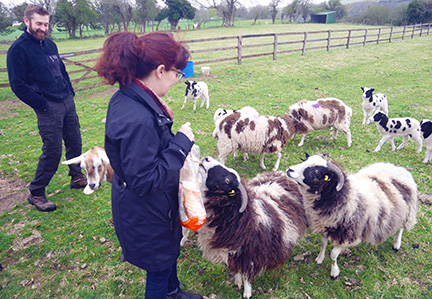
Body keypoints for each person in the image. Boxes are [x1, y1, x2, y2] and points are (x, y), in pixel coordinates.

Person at [95, 31, 202, 299]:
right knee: (158, 266)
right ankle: (163, 293)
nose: (178, 80)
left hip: (153, 208)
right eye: (177, 74)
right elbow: (145, 180)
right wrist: (180, 143)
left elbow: (145, 150)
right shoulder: (138, 118)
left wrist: (161, 115)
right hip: (147, 211)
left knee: (168, 254)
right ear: (160, 70)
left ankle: (173, 291)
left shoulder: (132, 96)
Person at [6, 4, 87, 212]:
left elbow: (62, 70)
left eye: (46, 24)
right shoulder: (18, 50)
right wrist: (42, 104)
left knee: (75, 141)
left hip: (66, 100)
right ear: (27, 22)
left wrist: (70, 92)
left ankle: (76, 176)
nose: (43, 28)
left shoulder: (50, 44)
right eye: (39, 24)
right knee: (52, 151)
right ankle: (36, 191)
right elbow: (17, 85)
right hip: (47, 106)